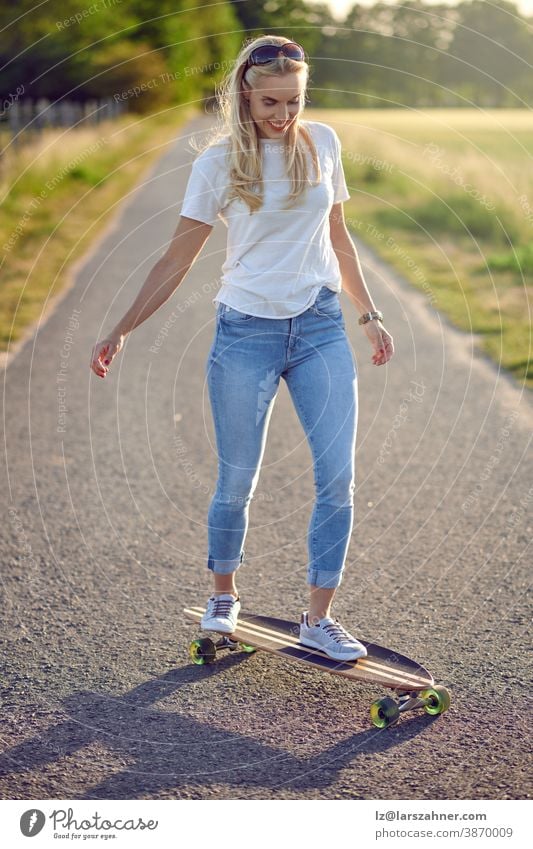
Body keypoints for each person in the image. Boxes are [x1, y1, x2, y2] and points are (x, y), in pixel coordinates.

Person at [90, 35, 394, 662]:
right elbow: (178, 255)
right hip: (245, 333)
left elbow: (339, 236)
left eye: (295, 101)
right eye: (271, 103)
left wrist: (368, 314)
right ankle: (224, 596)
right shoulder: (219, 164)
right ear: (244, 96)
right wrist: (122, 326)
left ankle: (318, 618)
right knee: (237, 478)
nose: (284, 115)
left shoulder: (324, 144)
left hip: (318, 329)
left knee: (339, 477)